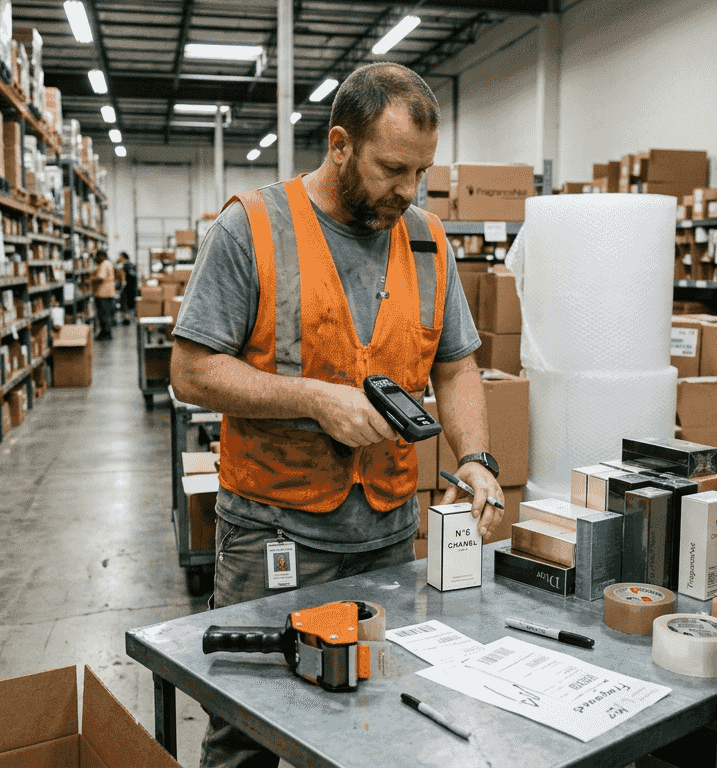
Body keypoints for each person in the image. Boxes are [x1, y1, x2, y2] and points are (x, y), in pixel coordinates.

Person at [171, 62, 502, 768]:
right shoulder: (252, 228)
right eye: (393, 169)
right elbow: (192, 372)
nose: (408, 191)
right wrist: (316, 398)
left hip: (386, 531)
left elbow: (457, 364)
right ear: (341, 144)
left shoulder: (427, 239)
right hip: (274, 534)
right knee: (248, 726)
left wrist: (475, 457)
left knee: (375, 718)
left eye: (421, 172)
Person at [93, 251, 117, 340]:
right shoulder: (109, 263)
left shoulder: (104, 264)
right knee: (107, 314)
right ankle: (106, 332)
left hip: (104, 293)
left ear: (102, 256)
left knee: (103, 314)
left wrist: (91, 278)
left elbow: (101, 277)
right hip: (109, 292)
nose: (97, 258)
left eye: (98, 256)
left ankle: (105, 333)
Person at [118, 252, 138, 325]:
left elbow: (124, 277)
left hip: (127, 287)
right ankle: (129, 318)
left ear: (123, 257)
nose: (119, 258)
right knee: (130, 304)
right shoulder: (132, 264)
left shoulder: (126, 265)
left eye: (120, 257)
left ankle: (126, 319)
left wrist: (122, 285)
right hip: (132, 287)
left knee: (125, 304)